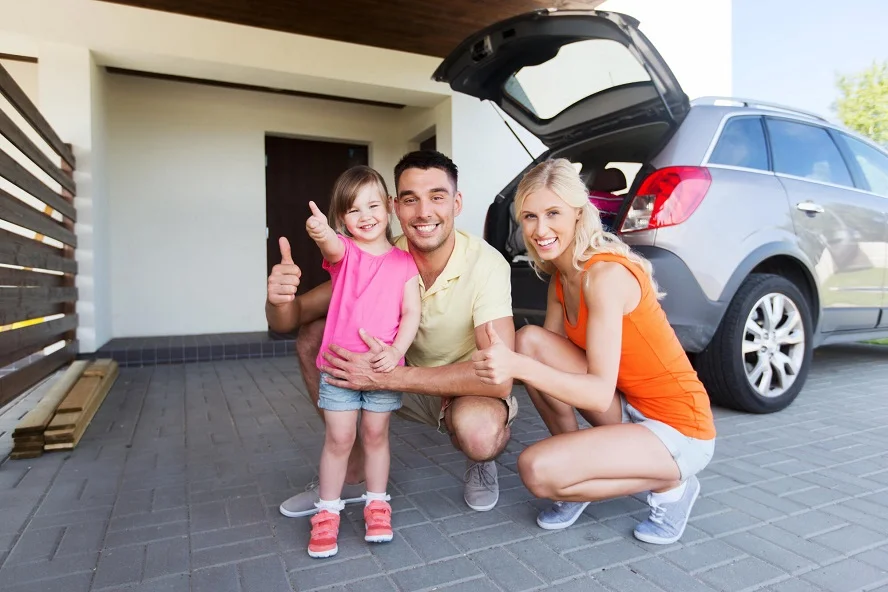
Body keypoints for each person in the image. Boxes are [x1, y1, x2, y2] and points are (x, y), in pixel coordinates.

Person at [471, 158, 716, 545]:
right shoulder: (561, 277)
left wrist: (515, 365)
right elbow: (545, 367)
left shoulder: (604, 276)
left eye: (554, 213)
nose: (541, 229)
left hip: (680, 428)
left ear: (579, 213)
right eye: (530, 217)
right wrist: (515, 360)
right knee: (530, 341)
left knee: (536, 471)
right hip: (629, 408)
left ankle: (674, 484)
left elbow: (597, 391)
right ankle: (577, 470)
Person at [266, 150, 518, 521]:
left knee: (480, 435)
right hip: (395, 380)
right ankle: (349, 466)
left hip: (457, 385)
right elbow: (292, 318)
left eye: (437, 197)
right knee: (313, 335)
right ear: (395, 207)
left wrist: (391, 374)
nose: (423, 212)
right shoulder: (376, 255)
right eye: (411, 199)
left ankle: (479, 462)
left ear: (456, 203)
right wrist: (278, 299)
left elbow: (499, 378)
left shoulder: (487, 264)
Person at [300, 166, 421, 558]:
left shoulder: (405, 262)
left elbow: (412, 313)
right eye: (353, 211)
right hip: (338, 368)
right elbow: (330, 246)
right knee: (339, 438)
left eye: (372, 205)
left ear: (388, 207)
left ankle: (376, 503)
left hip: (385, 371)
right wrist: (322, 233)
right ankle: (328, 511)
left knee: (375, 435)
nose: (365, 215)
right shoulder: (345, 253)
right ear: (342, 221)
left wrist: (395, 351)